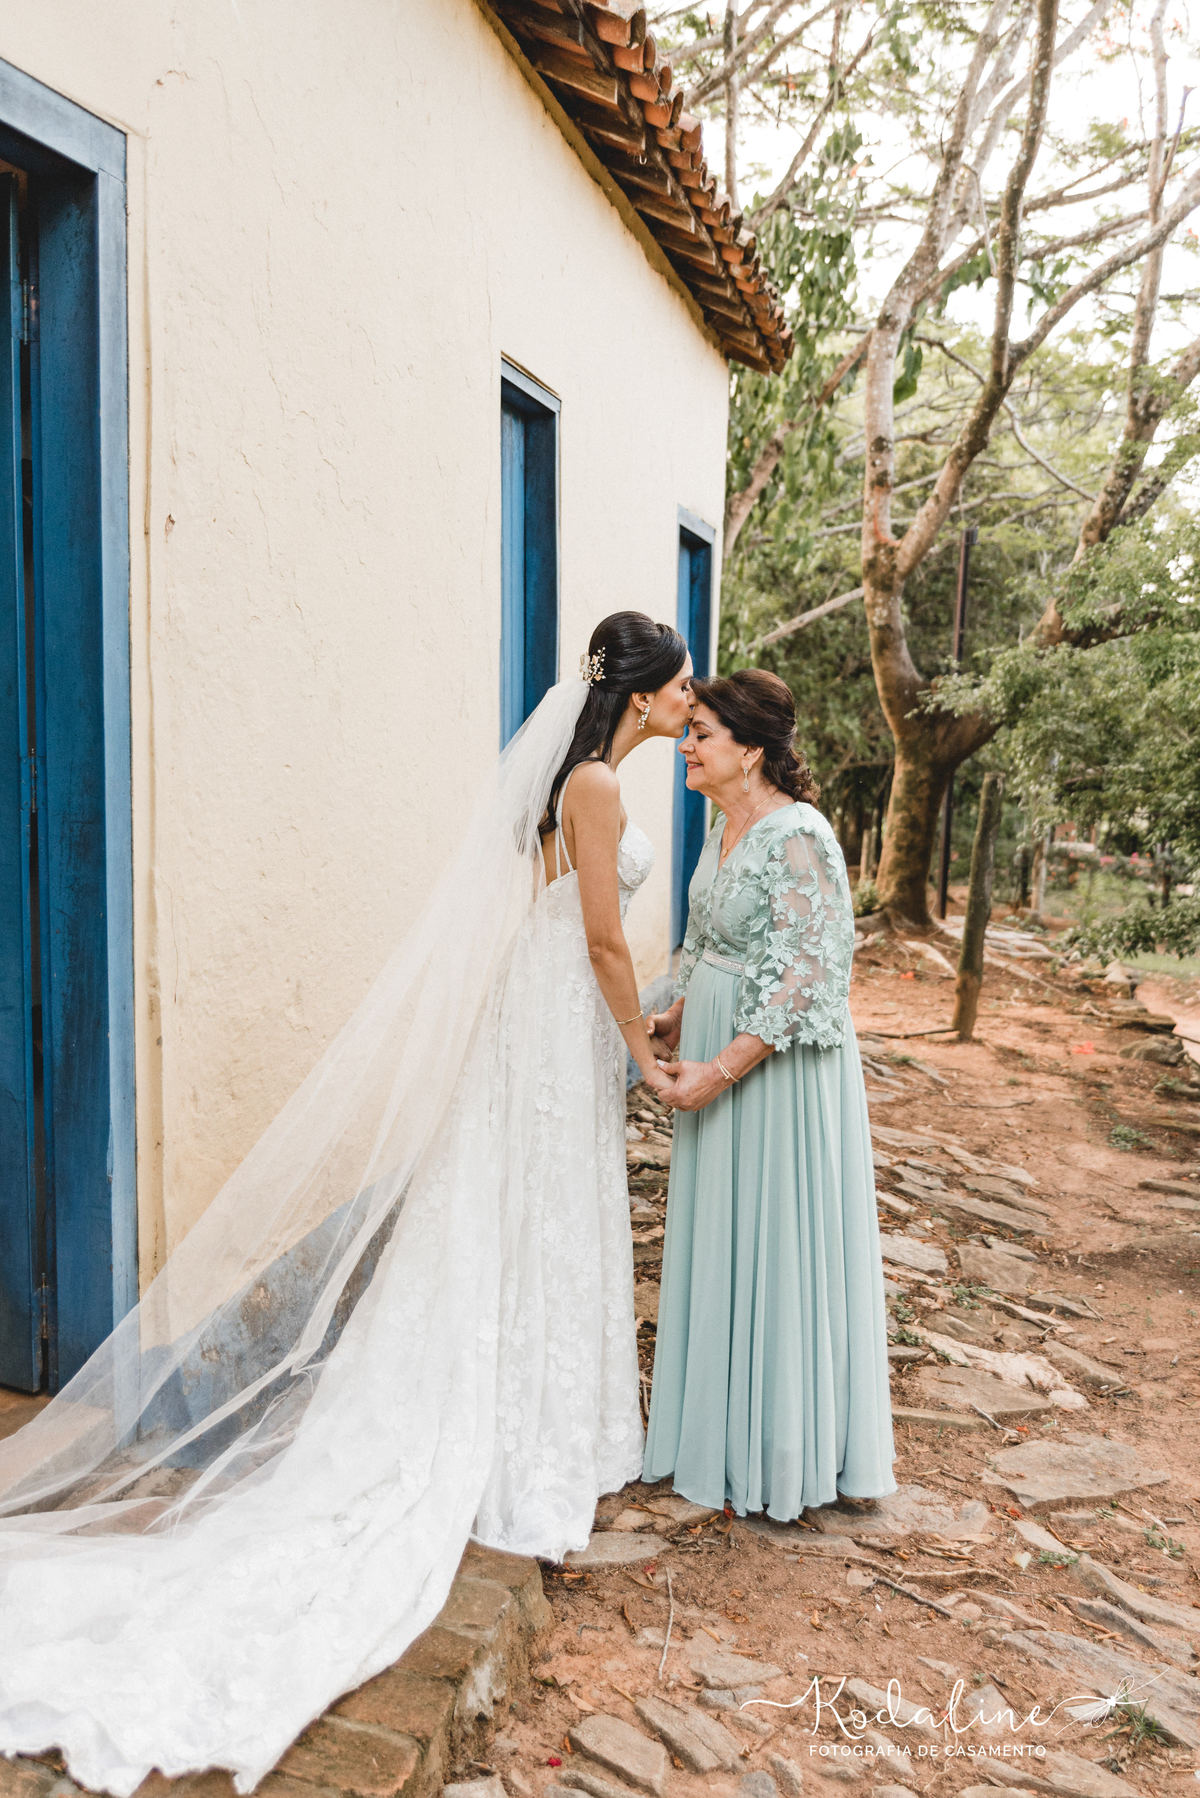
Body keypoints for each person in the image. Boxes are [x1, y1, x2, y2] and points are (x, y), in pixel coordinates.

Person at [0, 612, 689, 1798]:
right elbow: (601, 937)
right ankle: (520, 1433)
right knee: (533, 1206)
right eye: (684, 688)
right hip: (564, 1009)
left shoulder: (580, 776)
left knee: (524, 1211)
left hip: (543, 1011)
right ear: (646, 694)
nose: (693, 704)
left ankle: (543, 1417)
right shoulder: (597, 788)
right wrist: (643, 1049)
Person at [642, 668, 894, 1520]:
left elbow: (808, 977)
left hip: (773, 1072)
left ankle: (782, 1449)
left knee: (776, 1238)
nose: (687, 744)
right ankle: (712, 1432)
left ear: (749, 750)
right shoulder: (723, 826)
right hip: (716, 1046)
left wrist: (721, 1068)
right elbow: (712, 938)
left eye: (702, 734)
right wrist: (681, 1015)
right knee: (722, 1238)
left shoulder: (801, 835)